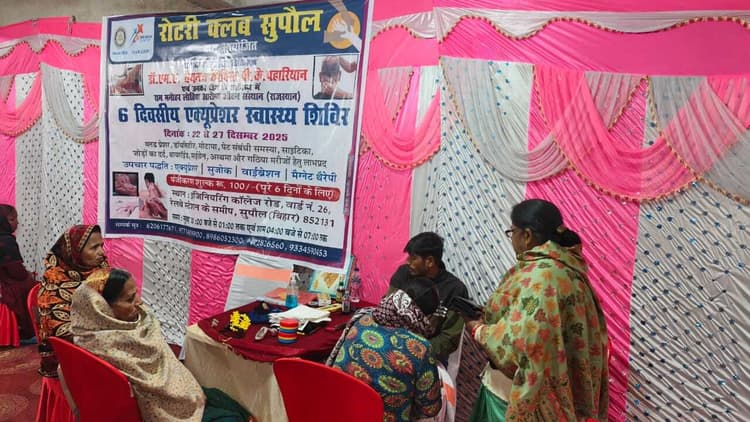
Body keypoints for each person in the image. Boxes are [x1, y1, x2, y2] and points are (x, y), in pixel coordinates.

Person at [464, 199, 609, 421]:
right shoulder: (570, 270)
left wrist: (479, 329)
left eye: (512, 232)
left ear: (527, 235)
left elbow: (520, 344)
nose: (512, 238)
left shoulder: (540, 277)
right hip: (559, 397)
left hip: (515, 397)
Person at [71, 268, 253, 422]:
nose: (139, 302)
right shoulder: (101, 344)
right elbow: (150, 387)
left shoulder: (140, 321)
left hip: (179, 389)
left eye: (136, 294)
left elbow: (166, 366)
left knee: (228, 403)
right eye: (129, 299)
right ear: (102, 308)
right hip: (162, 407)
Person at [327, 277, 442, 421]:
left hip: (339, 410)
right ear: (425, 317)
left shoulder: (362, 318)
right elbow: (430, 409)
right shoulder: (420, 348)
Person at [386, 232, 469, 364]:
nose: (408, 262)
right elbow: (387, 312)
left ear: (429, 261)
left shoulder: (455, 289)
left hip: (430, 353)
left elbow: (449, 338)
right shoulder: (403, 274)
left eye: (413, 258)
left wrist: (415, 351)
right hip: (394, 343)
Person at [37, 224, 107, 377]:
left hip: (101, 336)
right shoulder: (55, 286)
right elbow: (63, 333)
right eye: (94, 248)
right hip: (70, 357)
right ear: (74, 252)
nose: (102, 252)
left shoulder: (99, 270)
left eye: (101, 245)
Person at [0, 204, 36, 343]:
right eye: (12, 219)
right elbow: (16, 272)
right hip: (7, 285)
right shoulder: (7, 241)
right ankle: (26, 332)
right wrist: (28, 276)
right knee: (33, 288)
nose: (17, 222)